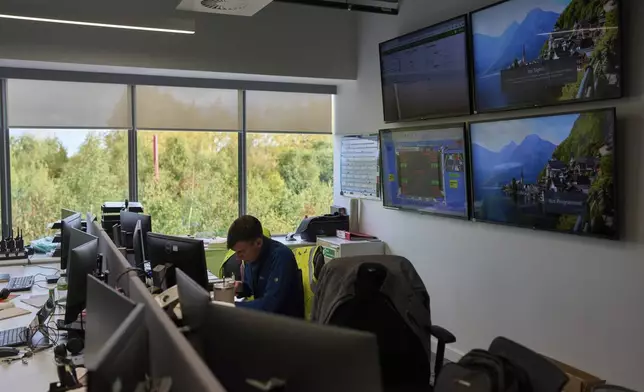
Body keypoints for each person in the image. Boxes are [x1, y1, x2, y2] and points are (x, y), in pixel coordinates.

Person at [227, 215, 304, 318]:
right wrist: (240, 287)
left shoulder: (281, 256)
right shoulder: (252, 256)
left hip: (285, 325)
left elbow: (270, 305)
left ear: (258, 243)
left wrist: (229, 307)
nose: (238, 258)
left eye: (241, 252)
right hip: (266, 320)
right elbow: (251, 288)